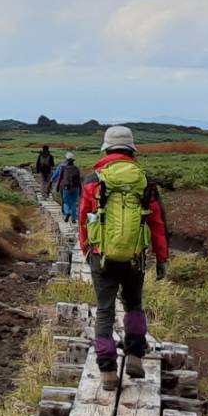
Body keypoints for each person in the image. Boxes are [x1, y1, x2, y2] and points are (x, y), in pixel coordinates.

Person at [77, 126, 168, 392]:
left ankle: (107, 371)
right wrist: (161, 258)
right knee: (134, 304)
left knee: (105, 310)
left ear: (106, 148)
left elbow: (83, 218)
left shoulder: (93, 178)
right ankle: (135, 356)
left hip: (101, 254)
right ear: (131, 149)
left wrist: (86, 249)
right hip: (135, 257)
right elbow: (157, 223)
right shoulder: (145, 180)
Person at [49, 151, 82, 222]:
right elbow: (79, 180)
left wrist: (57, 187)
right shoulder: (76, 168)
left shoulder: (62, 167)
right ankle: (73, 219)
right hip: (75, 188)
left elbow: (60, 178)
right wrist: (80, 189)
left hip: (65, 187)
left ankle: (67, 212)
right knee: (73, 203)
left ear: (66, 159)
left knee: (66, 202)